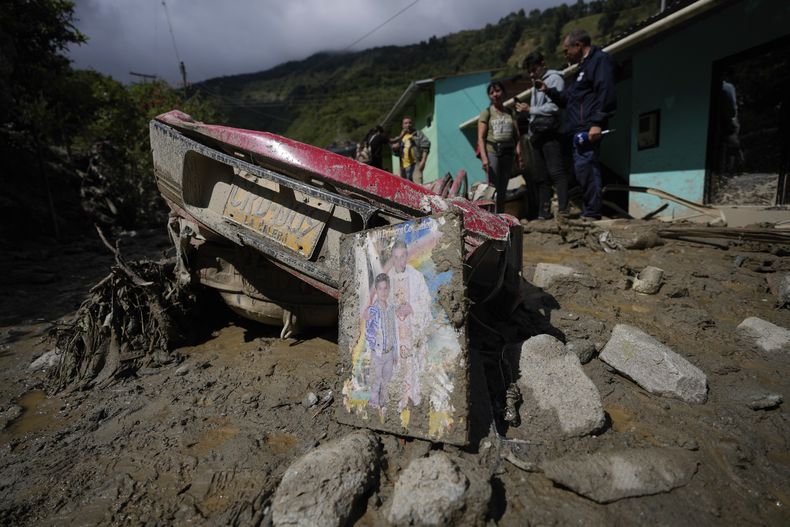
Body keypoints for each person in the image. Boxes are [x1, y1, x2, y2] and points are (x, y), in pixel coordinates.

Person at [536, 28, 616, 220]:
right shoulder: (582, 69)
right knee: (582, 172)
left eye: (566, 50)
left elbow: (606, 91)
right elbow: (568, 99)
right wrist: (548, 91)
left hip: (588, 128)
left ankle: (592, 213)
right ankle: (590, 211)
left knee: (588, 169)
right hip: (577, 130)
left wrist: (597, 122)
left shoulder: (599, 61)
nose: (565, 54)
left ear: (578, 45)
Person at [516, 51, 571, 219]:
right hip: (538, 135)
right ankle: (543, 213)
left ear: (542, 64)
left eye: (534, 69)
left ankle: (563, 210)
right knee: (541, 176)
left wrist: (530, 109)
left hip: (551, 133)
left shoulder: (555, 79)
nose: (532, 74)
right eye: (529, 71)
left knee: (556, 172)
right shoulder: (535, 84)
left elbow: (555, 107)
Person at [387, 240, 432, 412]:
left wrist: (412, 307)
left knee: (413, 367)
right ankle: (397, 406)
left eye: (402, 256)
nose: (399, 261)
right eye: (396, 257)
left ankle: (414, 404)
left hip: (412, 331)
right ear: (392, 258)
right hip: (395, 335)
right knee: (396, 368)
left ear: (407, 256)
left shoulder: (416, 276)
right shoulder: (387, 279)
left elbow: (426, 301)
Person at [478, 81, 521, 213]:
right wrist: (485, 159)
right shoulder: (487, 113)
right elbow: (481, 137)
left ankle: (500, 215)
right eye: (491, 93)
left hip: (508, 153)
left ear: (503, 92)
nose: (495, 95)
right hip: (493, 153)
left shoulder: (509, 112)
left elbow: (517, 136)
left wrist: (519, 155)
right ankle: (490, 216)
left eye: (497, 91)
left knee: (503, 188)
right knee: (492, 187)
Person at [365, 273, 398, 417]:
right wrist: (374, 346)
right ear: (376, 291)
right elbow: (368, 331)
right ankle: (373, 405)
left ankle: (384, 405)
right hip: (378, 352)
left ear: (389, 289)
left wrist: (395, 350)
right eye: (380, 289)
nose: (383, 292)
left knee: (387, 379)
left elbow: (393, 329)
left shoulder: (391, 308)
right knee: (376, 379)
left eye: (386, 289)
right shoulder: (373, 309)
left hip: (390, 352)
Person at [391, 117, 430, 183]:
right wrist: (401, 137)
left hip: (415, 165)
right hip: (403, 168)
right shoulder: (401, 137)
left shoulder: (418, 134)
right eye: (406, 123)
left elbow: (426, 146)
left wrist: (423, 161)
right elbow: (394, 149)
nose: (408, 125)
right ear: (403, 125)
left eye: (410, 123)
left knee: (418, 187)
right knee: (405, 188)